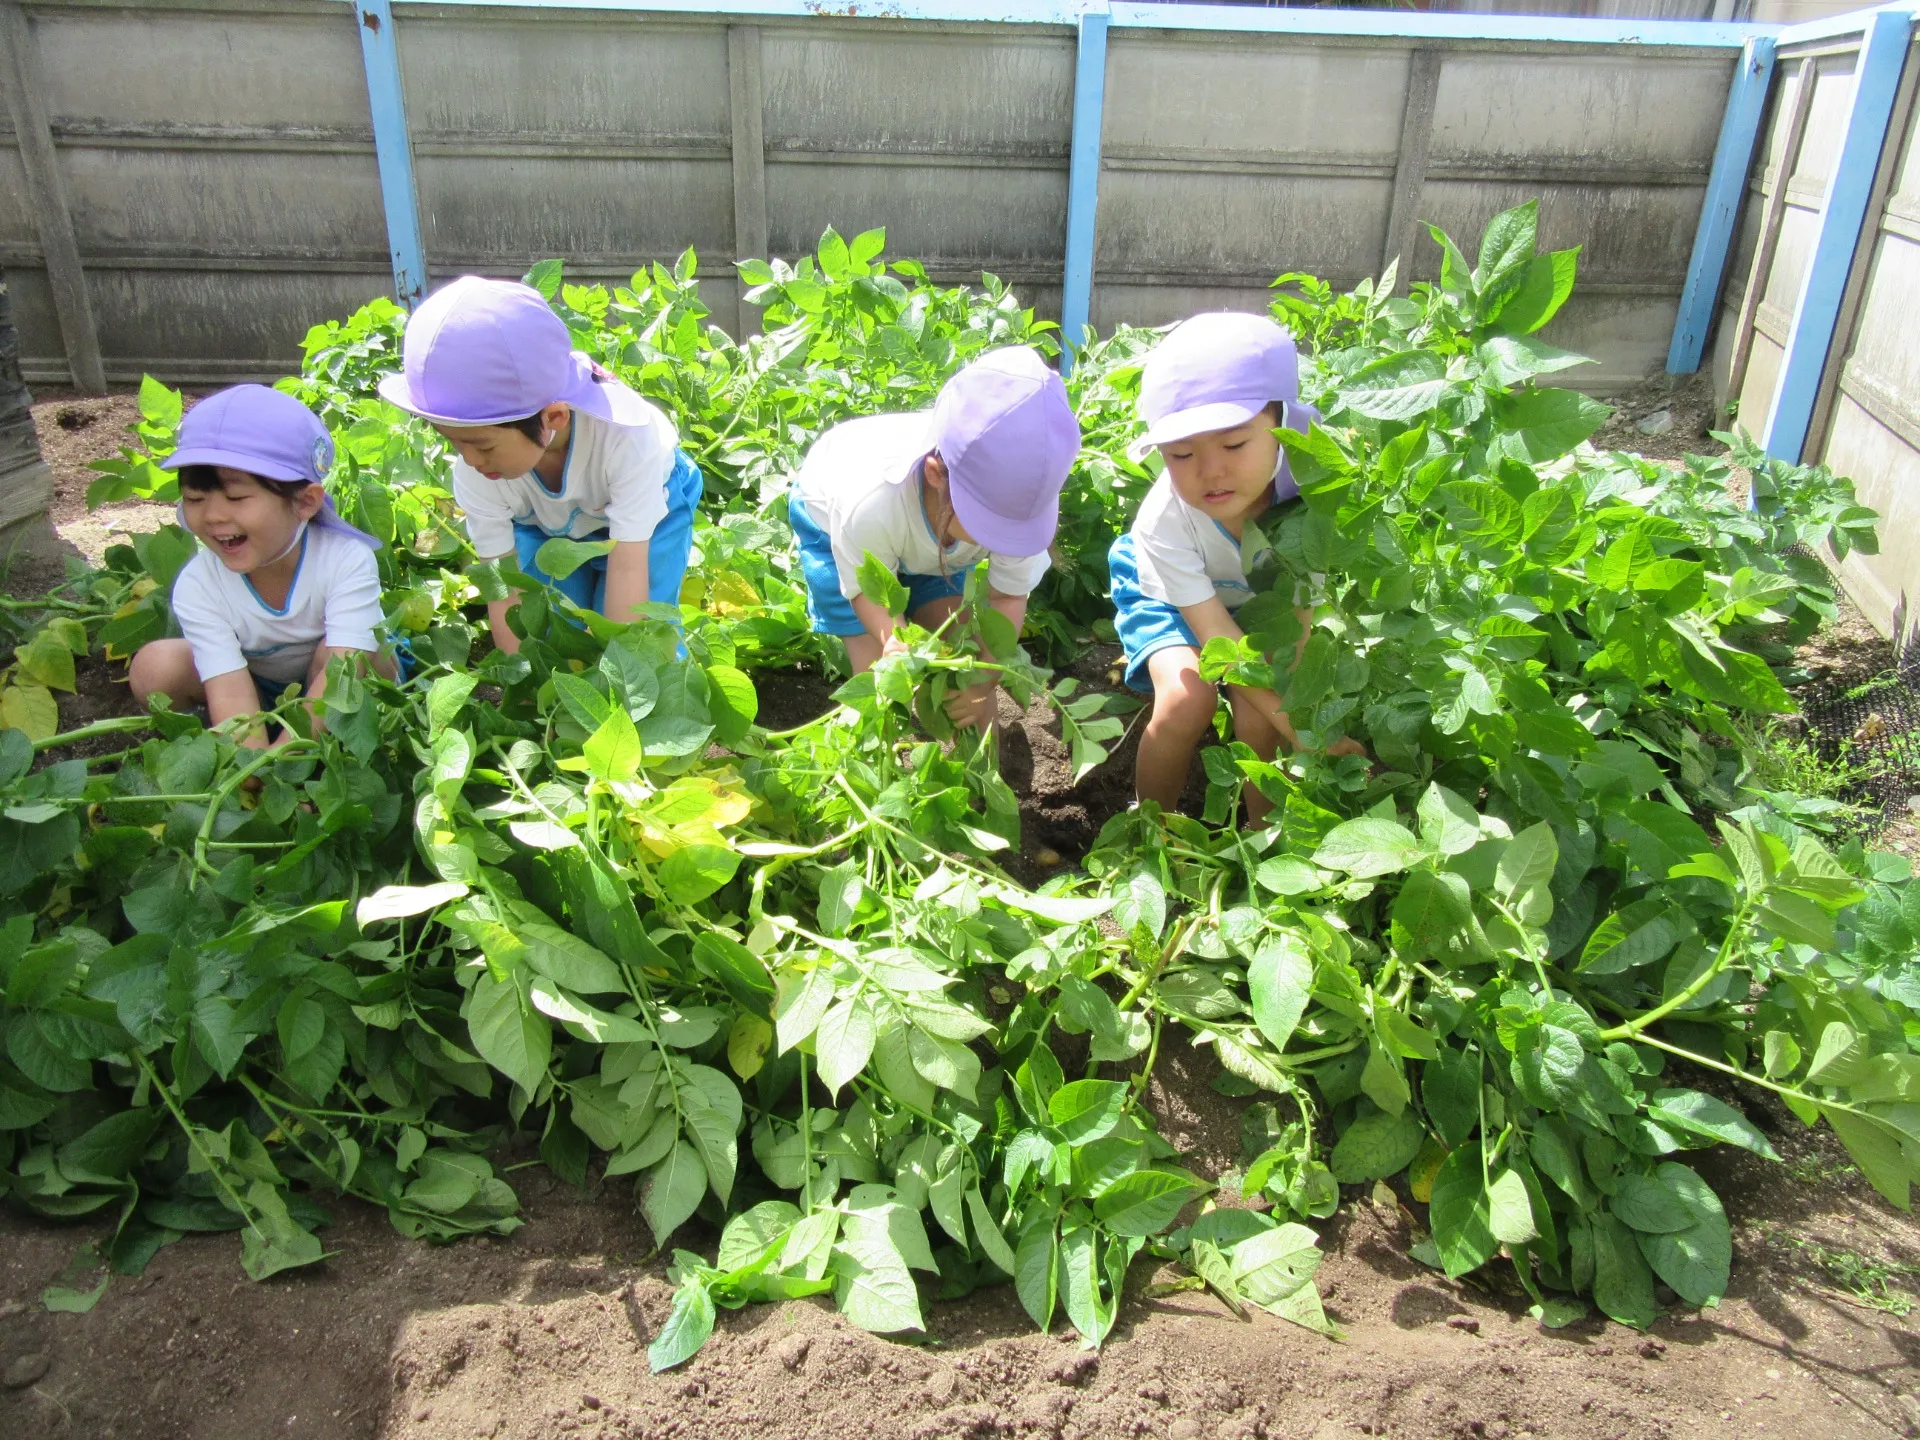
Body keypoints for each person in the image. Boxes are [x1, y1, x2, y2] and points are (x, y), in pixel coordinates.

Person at [1108, 312, 1364, 820]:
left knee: (1260, 715)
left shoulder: (1312, 496)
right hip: (1165, 593)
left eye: (1234, 444)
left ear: (1284, 427)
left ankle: (1262, 838)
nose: (1211, 471)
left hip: (1251, 599)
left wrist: (1290, 717)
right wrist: (1306, 731)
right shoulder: (1166, 521)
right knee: (1188, 701)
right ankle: (1149, 831)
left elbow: (1294, 632)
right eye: (1180, 454)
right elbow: (1217, 641)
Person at [378, 276, 702, 653]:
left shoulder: (627, 440)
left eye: (480, 444)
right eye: (452, 441)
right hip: (546, 522)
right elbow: (504, 586)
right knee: (547, 628)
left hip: (652, 515)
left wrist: (621, 676)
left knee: (645, 641)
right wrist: (523, 681)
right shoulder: (479, 467)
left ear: (553, 418)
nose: (468, 459)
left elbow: (629, 570)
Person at [788, 346, 1080, 730]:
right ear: (936, 476)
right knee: (879, 674)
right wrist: (893, 637)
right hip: (832, 523)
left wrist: (986, 675)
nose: (1005, 539)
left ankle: (982, 781)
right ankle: (881, 755)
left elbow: (1008, 596)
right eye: (990, 523)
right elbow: (868, 590)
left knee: (968, 663)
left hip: (938, 539)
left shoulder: (1020, 499)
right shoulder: (870, 504)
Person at [129, 385, 392, 746]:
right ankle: (253, 730)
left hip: (348, 686)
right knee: (154, 667)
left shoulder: (344, 559)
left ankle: (323, 746)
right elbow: (230, 687)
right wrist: (253, 766)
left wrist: (284, 764)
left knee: (347, 658)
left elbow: (344, 674)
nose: (214, 515)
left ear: (305, 502)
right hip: (261, 688)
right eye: (194, 498)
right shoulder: (201, 583)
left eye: (236, 497)